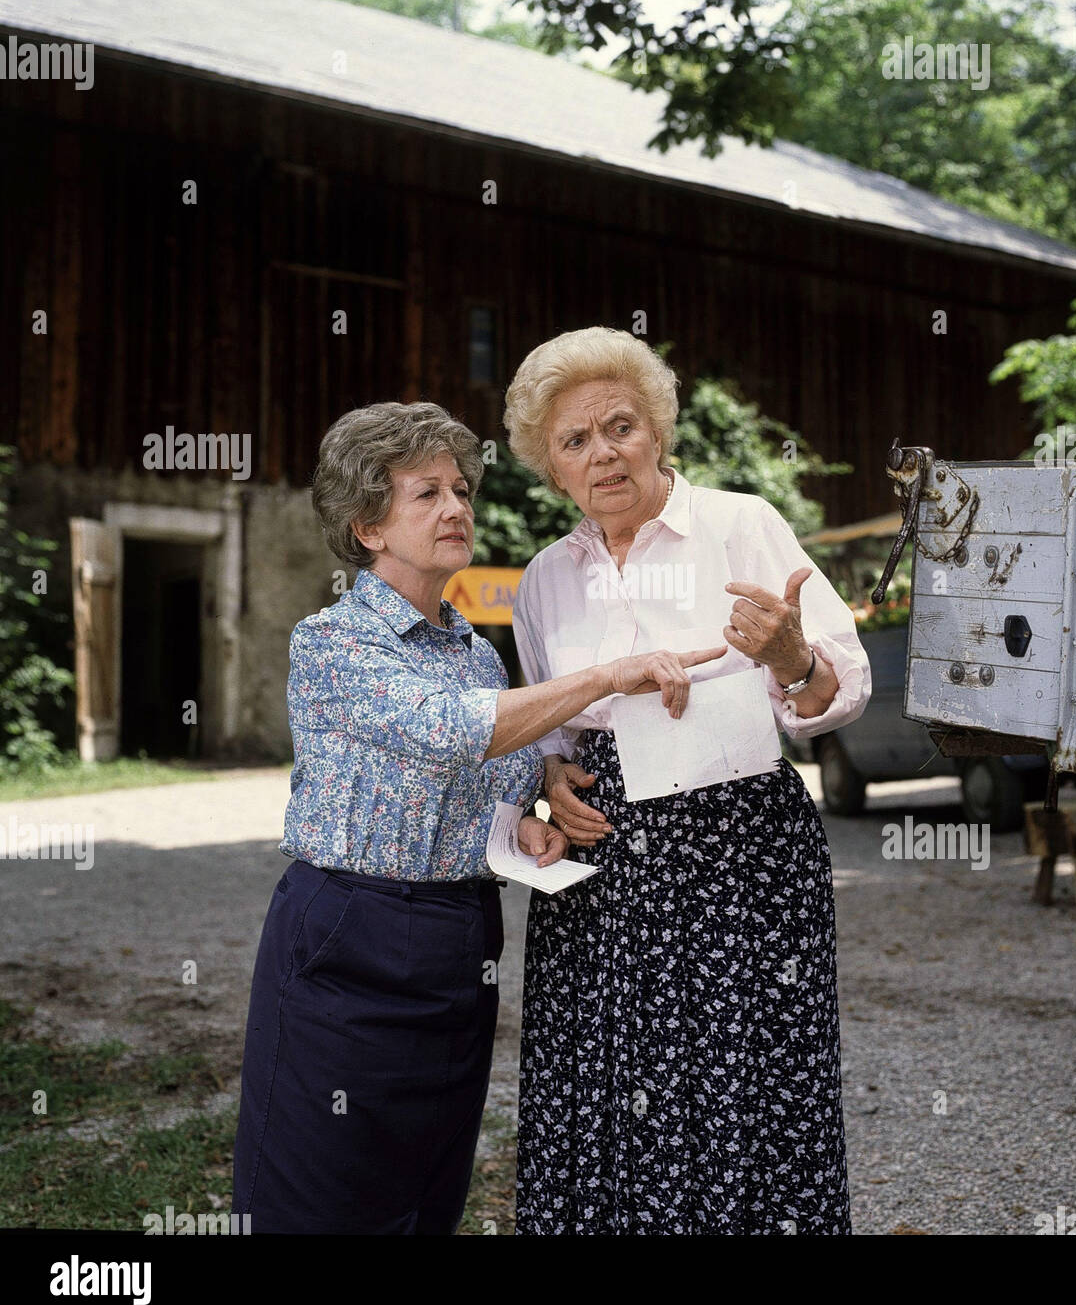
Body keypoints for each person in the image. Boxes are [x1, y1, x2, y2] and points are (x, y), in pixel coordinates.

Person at [231, 399, 724, 1234]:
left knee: (426, 1187)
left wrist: (532, 808)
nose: (457, 507)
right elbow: (451, 731)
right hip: (351, 929)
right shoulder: (333, 642)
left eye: (461, 489)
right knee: (316, 1190)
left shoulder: (474, 651)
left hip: (463, 935)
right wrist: (607, 674)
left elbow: (499, 773)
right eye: (426, 494)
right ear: (366, 527)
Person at [507, 328, 873, 1234]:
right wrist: (551, 784)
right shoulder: (544, 579)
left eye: (619, 426)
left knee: (743, 1083)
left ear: (658, 431)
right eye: (574, 441)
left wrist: (790, 655)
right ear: (550, 468)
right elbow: (546, 729)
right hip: (600, 872)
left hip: (740, 849)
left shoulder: (740, 523)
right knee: (604, 1082)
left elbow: (841, 689)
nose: (603, 453)